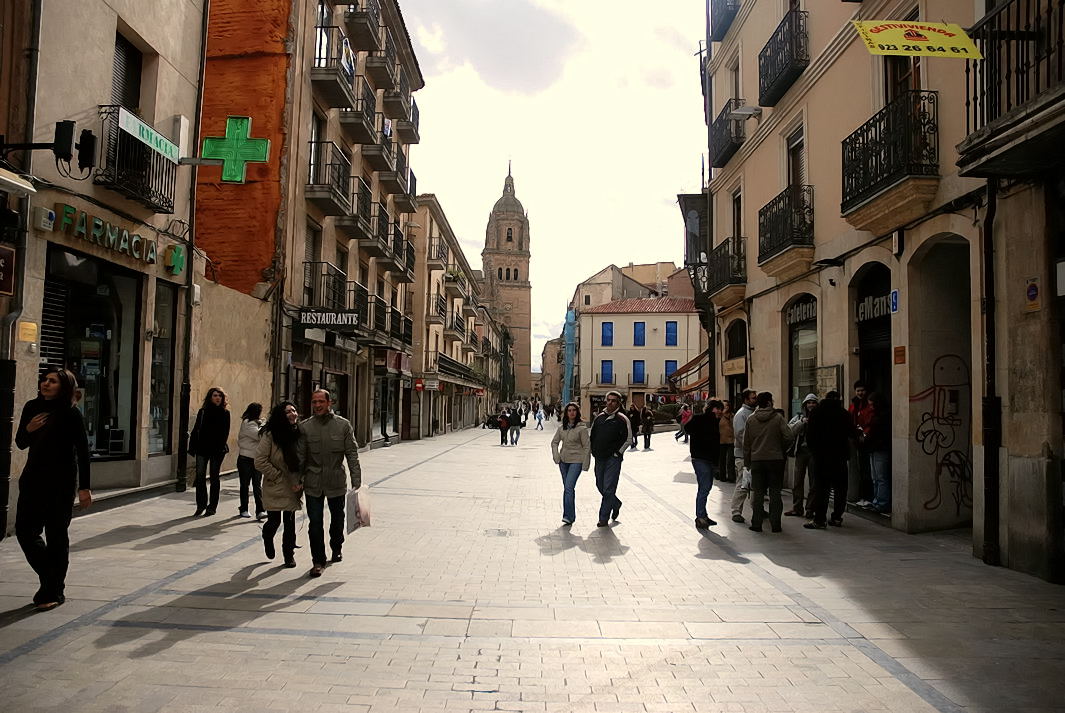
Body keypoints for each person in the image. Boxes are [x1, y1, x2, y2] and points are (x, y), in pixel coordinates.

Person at [14, 367, 91, 611]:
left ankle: (52, 591)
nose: (45, 384)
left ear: (64, 386)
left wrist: (84, 488)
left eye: (52, 381)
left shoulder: (71, 414)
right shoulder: (31, 407)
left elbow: (83, 452)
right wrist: (29, 429)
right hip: (32, 480)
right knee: (25, 532)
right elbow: (20, 443)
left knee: (57, 536)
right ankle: (52, 581)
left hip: (61, 483)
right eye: (44, 380)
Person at [300, 389, 361, 578]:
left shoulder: (343, 426)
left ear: (329, 403)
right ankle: (318, 560)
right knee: (315, 523)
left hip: (336, 481)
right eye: (314, 402)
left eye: (321, 402)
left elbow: (351, 453)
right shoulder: (305, 427)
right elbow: (300, 458)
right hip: (313, 482)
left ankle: (337, 546)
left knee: (337, 519)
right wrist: (296, 481)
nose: (317, 405)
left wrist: (356, 482)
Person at [255, 401, 304, 567]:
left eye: (294, 410)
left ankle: (288, 555)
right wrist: (276, 476)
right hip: (275, 483)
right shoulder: (270, 434)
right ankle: (267, 536)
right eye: (288, 412)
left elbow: (302, 459)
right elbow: (260, 461)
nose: (293, 414)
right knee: (274, 521)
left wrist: (300, 480)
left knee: (289, 523)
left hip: (292, 484)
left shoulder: (299, 433)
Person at [742, 392, 793, 533]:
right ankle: (775, 524)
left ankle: (756, 523)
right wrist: (781, 448)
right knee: (775, 492)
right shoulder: (778, 418)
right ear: (770, 402)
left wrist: (747, 462)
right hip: (775, 460)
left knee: (758, 493)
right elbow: (789, 436)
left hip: (757, 460)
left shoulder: (751, 419)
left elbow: (746, 444)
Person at [805, 391, 853, 529]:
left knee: (821, 489)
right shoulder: (844, 414)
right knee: (840, 489)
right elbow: (851, 432)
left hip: (821, 458)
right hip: (840, 457)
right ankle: (837, 517)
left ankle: (820, 520)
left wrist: (815, 452)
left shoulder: (816, 412)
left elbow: (810, 436)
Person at [590, 391, 631, 527]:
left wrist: (617, 453)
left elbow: (628, 439)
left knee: (608, 488)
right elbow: (593, 435)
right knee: (599, 485)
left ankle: (603, 518)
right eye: (608, 400)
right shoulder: (599, 418)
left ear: (618, 403)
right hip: (599, 458)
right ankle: (616, 503)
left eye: (613, 401)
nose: (610, 403)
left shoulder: (622, 419)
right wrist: (593, 450)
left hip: (613, 459)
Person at [189, 387, 231, 517]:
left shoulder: (225, 413)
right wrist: (192, 447)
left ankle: (212, 507)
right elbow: (196, 430)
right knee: (200, 477)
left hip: (217, 450)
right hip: (202, 448)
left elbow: (225, 433)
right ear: (210, 397)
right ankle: (200, 505)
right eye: (215, 395)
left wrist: (218, 448)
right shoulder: (203, 412)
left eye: (220, 395)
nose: (217, 397)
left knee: (214, 477)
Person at [550, 402, 591, 525]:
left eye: (574, 410)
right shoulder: (561, 428)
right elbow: (554, 442)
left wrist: (585, 463)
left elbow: (587, 446)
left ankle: (568, 516)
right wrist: (556, 455)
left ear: (577, 412)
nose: (571, 412)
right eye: (569, 410)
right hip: (563, 461)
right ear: (566, 413)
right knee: (568, 489)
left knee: (568, 487)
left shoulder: (582, 429)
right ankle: (570, 516)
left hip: (576, 461)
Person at [687, 400, 722, 529]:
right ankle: (700, 517)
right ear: (712, 408)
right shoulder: (700, 419)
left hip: (708, 459)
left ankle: (703, 515)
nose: (720, 411)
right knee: (704, 487)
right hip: (700, 458)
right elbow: (687, 428)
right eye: (718, 409)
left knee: (706, 487)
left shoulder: (716, 421)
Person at [785, 394, 818, 518]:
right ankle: (797, 507)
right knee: (797, 481)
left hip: (814, 453)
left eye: (813, 402)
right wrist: (801, 422)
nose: (811, 405)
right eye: (809, 402)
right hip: (800, 452)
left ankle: (810, 509)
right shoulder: (798, 417)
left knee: (813, 481)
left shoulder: (820, 417)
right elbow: (789, 431)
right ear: (805, 404)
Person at [730, 389, 758, 523]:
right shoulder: (741, 415)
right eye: (753, 398)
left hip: (754, 454)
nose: (755, 400)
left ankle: (757, 508)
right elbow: (741, 435)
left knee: (754, 484)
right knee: (743, 483)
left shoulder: (754, 412)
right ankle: (736, 510)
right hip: (743, 455)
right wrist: (751, 449)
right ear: (746, 399)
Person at [236, 402, 266, 520]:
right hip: (245, 459)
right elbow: (260, 436)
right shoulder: (248, 423)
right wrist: (264, 424)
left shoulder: (255, 423)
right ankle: (244, 508)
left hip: (256, 459)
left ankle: (260, 510)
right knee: (245, 484)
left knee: (257, 485)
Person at [849, 380, 874, 506]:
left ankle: (868, 497)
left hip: (866, 441)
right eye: (858, 390)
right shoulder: (854, 404)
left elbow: (869, 422)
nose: (860, 392)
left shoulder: (869, 405)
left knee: (867, 470)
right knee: (861, 470)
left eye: (862, 390)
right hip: (856, 441)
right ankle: (862, 496)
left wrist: (864, 434)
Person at [865, 392, 891, 514]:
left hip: (880, 448)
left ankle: (882, 502)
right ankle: (877, 500)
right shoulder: (875, 415)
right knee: (875, 477)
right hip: (874, 448)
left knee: (880, 477)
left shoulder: (883, 416)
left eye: (872, 404)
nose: (870, 407)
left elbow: (881, 433)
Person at [719, 400, 736, 482]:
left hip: (730, 440)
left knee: (730, 460)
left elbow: (734, 425)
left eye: (726, 406)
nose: (725, 407)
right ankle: (722, 476)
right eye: (724, 406)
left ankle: (731, 477)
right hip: (721, 441)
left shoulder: (731, 415)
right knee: (722, 459)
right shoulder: (718, 416)